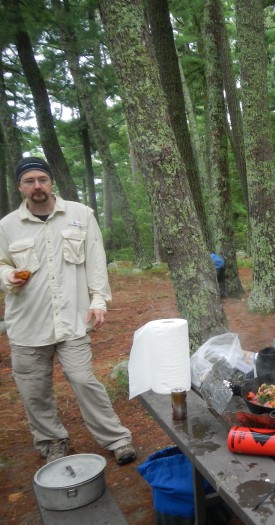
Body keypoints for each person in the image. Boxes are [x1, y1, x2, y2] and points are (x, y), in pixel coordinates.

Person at [0, 156, 135, 465]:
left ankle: (117, 439)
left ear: (50, 182)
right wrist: (7, 277)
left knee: (84, 380)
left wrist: (98, 300)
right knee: (35, 391)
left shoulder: (80, 215)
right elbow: (1, 263)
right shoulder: (7, 226)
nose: (37, 186)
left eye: (41, 179)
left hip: (72, 319)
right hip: (27, 325)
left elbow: (95, 260)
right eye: (29, 181)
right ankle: (52, 442)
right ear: (20, 187)